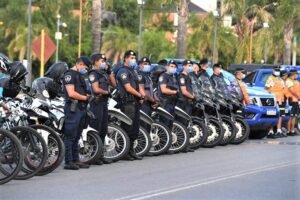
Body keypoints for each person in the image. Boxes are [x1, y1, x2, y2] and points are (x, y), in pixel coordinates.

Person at [62, 56, 92, 170]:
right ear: (80, 64)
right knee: (70, 136)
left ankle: (75, 160)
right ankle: (68, 161)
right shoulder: (70, 75)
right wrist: (85, 98)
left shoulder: (79, 75)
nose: (86, 69)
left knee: (77, 136)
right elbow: (71, 93)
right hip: (73, 108)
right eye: (85, 67)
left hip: (81, 108)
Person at [116, 50, 144, 161]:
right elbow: (128, 88)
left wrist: (140, 97)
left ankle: (131, 151)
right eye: (131, 57)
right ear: (125, 58)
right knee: (127, 127)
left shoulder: (133, 71)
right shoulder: (122, 71)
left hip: (135, 102)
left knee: (134, 128)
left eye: (134, 57)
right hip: (127, 103)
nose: (133, 59)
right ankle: (124, 152)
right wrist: (140, 95)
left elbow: (137, 86)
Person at [88, 53, 116, 165]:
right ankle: (93, 155)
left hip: (104, 103)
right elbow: (96, 89)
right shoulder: (93, 74)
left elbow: (114, 84)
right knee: (96, 129)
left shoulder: (103, 74)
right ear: (95, 62)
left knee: (103, 130)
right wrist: (107, 92)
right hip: (97, 103)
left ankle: (100, 155)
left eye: (104, 61)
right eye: (101, 61)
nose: (103, 63)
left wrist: (109, 72)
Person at [265, 66, 286, 138]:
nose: (277, 71)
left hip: (280, 100)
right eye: (276, 70)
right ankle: (270, 131)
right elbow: (266, 88)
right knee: (272, 115)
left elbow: (283, 89)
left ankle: (278, 130)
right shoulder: (270, 78)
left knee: (280, 115)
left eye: (278, 70)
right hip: (273, 100)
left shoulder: (279, 79)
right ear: (273, 70)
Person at [157, 60, 178, 129]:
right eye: (171, 66)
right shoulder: (163, 76)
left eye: (175, 67)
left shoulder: (173, 77)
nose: (173, 68)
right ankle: (163, 139)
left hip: (172, 103)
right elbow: (164, 90)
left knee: (170, 124)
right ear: (167, 67)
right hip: (165, 103)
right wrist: (175, 92)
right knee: (164, 124)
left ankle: (168, 138)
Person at [137, 57, 158, 125]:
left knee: (148, 124)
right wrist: (153, 101)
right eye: (145, 64)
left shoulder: (148, 76)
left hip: (149, 103)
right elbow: (143, 92)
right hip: (144, 103)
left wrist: (155, 100)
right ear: (140, 65)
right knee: (143, 125)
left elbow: (151, 89)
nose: (147, 65)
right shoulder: (140, 75)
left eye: (148, 64)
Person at [285, 69, 300, 136]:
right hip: (291, 100)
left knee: (294, 116)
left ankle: (292, 130)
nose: (297, 75)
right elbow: (292, 91)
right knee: (290, 116)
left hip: (296, 100)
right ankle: (288, 131)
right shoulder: (288, 81)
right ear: (293, 74)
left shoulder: (295, 81)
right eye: (296, 74)